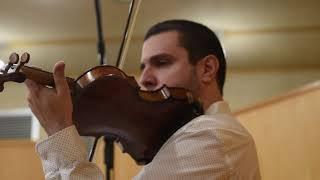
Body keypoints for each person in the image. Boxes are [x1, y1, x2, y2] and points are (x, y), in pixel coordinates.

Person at [25, 19, 261, 180]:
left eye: (162, 63)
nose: (144, 78)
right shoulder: (186, 137)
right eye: (143, 66)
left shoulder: (214, 135)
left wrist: (59, 130)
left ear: (207, 69)